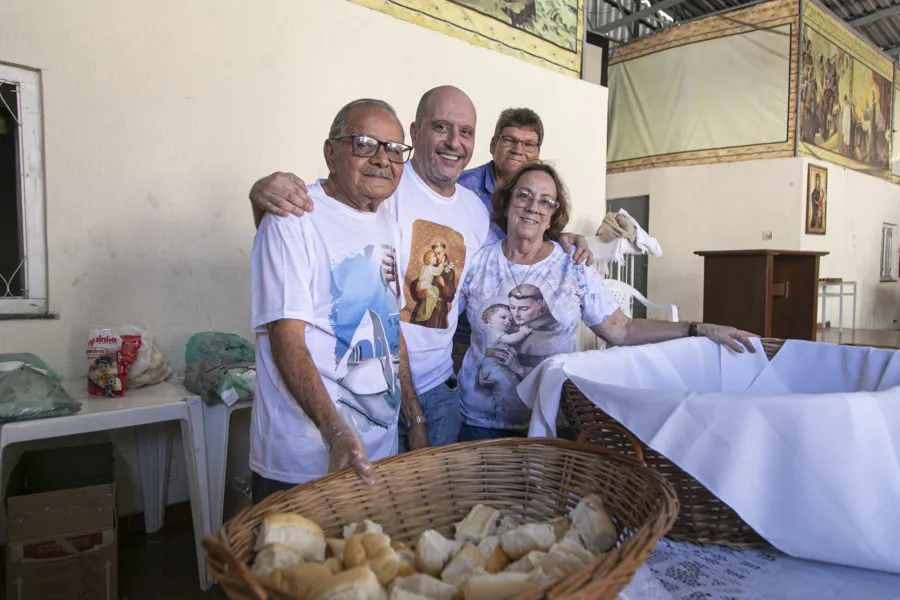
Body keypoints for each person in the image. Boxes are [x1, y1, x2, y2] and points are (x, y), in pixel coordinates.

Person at [248, 86, 594, 451]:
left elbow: (516, 254)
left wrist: (561, 240)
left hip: (438, 389)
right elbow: (319, 225)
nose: (453, 142)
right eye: (441, 127)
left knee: (424, 504)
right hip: (364, 388)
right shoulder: (382, 185)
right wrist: (263, 197)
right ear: (415, 132)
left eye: (465, 132)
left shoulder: (477, 211)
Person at [457, 162, 757, 441]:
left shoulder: (572, 263)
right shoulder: (477, 260)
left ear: (553, 214)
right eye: (524, 195)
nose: (533, 207)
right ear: (507, 200)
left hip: (550, 423)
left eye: (545, 201)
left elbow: (621, 330)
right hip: (478, 424)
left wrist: (698, 329)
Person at [249, 98, 428, 503]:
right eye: (365, 143)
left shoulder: (384, 217)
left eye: (395, 150)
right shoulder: (292, 218)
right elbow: (286, 340)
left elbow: (388, 323)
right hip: (305, 461)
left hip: (375, 455)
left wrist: (413, 415)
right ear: (331, 152)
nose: (383, 159)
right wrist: (335, 433)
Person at [458, 107, 544, 239]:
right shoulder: (462, 186)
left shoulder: (544, 195)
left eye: (528, 144)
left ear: (538, 153)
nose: (518, 150)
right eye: (509, 140)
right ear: (493, 144)